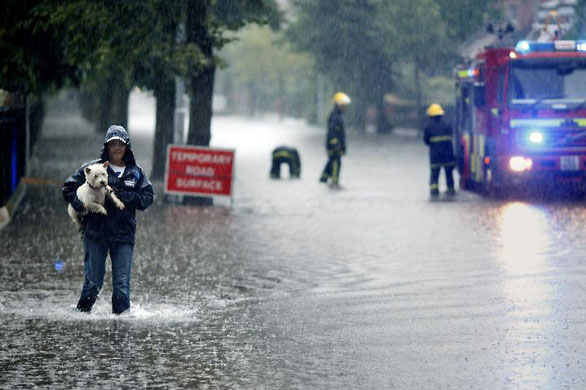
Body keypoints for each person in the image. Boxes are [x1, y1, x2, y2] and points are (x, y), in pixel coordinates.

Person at [62, 125, 154, 314]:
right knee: (93, 283)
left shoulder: (136, 173)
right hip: (96, 233)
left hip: (124, 235)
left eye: (121, 144)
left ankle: (121, 328)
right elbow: (68, 188)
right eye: (113, 144)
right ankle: (81, 317)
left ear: (127, 146)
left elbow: (147, 198)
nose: (117, 148)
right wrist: (81, 206)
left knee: (121, 286)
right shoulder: (92, 168)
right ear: (107, 146)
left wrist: (124, 196)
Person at [423, 104, 456, 197]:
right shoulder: (447, 125)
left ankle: (434, 192)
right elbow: (451, 135)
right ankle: (450, 190)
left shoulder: (428, 127)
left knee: (434, 174)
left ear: (431, 116)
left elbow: (426, 141)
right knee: (449, 174)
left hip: (435, 155)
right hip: (448, 154)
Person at [320, 92, 351, 185]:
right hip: (334, 147)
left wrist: (342, 147)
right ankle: (334, 182)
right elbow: (332, 132)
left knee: (331, 162)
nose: (344, 107)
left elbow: (340, 134)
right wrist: (335, 144)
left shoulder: (338, 115)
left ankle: (323, 179)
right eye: (342, 105)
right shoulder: (335, 116)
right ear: (338, 105)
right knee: (336, 163)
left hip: (336, 146)